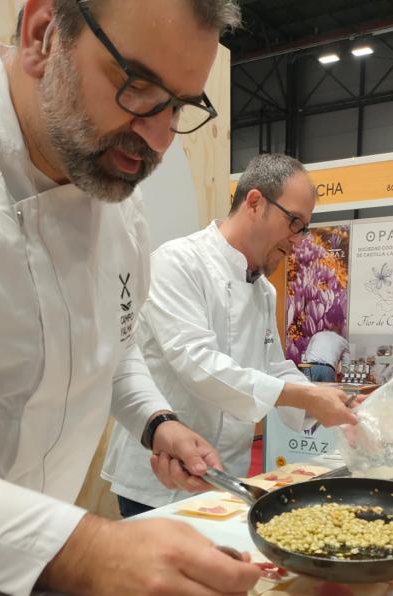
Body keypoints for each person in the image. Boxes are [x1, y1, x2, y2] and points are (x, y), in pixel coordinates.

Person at [0, 0, 262, 596]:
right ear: (44, 35)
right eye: (138, 86)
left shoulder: (114, 201)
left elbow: (110, 347)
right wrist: (87, 551)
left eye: (177, 104)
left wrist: (158, 423)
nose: (156, 137)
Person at [102, 153, 357, 515]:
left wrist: (325, 397)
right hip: (159, 477)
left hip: (224, 475)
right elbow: (198, 364)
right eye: (294, 222)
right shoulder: (178, 263)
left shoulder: (262, 290)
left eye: (304, 228)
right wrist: (305, 397)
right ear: (255, 202)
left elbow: (273, 366)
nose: (298, 240)